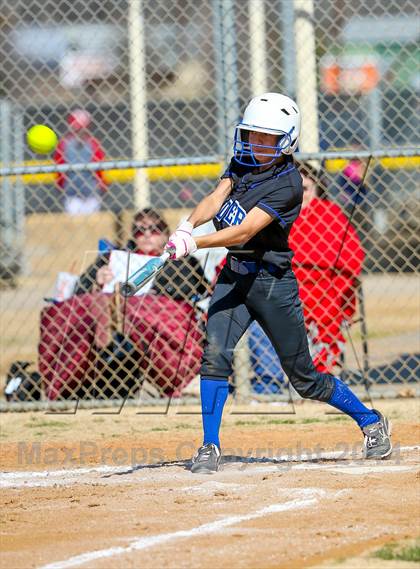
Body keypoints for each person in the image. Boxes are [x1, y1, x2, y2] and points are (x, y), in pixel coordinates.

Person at [164, 92, 392, 473]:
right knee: (214, 356)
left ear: (287, 140)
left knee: (304, 379)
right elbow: (216, 197)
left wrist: (195, 243)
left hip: (271, 284)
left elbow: (244, 231)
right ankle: (209, 445)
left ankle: (370, 421)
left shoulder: (287, 184)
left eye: (267, 138)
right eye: (253, 135)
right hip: (234, 277)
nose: (257, 143)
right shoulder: (241, 161)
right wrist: (187, 226)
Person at [39, 208, 208, 400]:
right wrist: (96, 280)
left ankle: (178, 380)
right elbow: (78, 291)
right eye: (139, 230)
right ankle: (64, 385)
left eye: (154, 229)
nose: (145, 235)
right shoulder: (112, 257)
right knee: (66, 311)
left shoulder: (180, 260)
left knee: (139, 309)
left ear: (166, 232)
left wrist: (151, 288)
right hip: (104, 316)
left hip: (150, 316)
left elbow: (192, 290)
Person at [248, 162, 365, 393]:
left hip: (323, 294)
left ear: (318, 189)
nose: (300, 195)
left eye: (306, 189)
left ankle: (319, 381)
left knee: (321, 312)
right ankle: (270, 387)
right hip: (277, 290)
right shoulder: (271, 216)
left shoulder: (329, 214)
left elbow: (353, 258)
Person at [53, 109, 107, 216]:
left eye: (83, 129)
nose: (80, 132)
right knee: (74, 224)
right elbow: (60, 170)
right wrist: (61, 186)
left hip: (91, 193)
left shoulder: (93, 144)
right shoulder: (64, 145)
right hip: (71, 194)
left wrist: (102, 185)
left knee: (93, 223)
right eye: (77, 129)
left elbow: (99, 169)